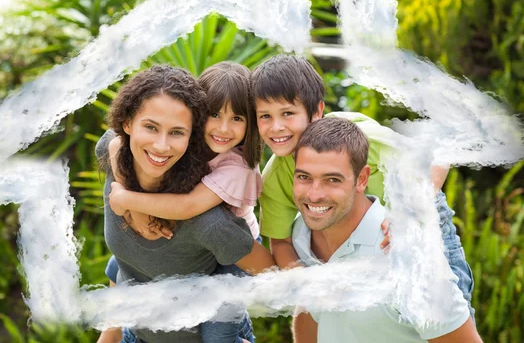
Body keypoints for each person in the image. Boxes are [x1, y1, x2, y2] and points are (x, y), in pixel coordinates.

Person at [250, 54, 475, 325]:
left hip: (421, 229)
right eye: (265, 116)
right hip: (364, 253)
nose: (277, 127)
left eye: (288, 113)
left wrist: (409, 213)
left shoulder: (353, 135)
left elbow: (436, 159)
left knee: (442, 322)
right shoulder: (274, 177)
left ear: (317, 111)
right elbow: (281, 242)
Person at [95, 65, 275, 343]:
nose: (161, 145)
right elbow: (111, 142)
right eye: (151, 127)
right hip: (136, 335)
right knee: (120, 261)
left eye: (177, 132)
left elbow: (189, 207)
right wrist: (133, 204)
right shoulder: (118, 159)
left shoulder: (218, 203)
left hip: (236, 245)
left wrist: (129, 201)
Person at [289, 117, 481, 342]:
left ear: (362, 179)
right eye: (304, 177)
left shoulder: (411, 262)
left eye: (332, 180)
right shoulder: (301, 232)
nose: (314, 194)